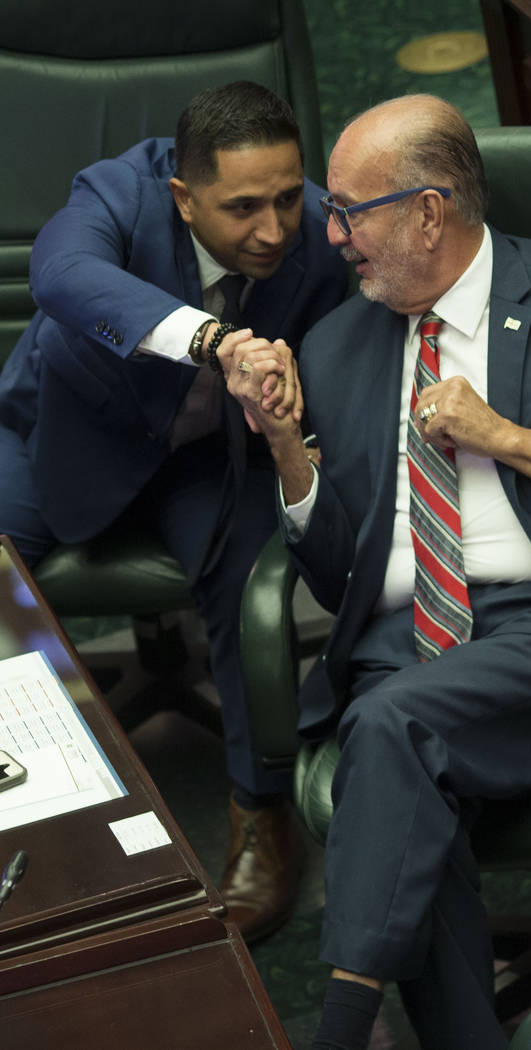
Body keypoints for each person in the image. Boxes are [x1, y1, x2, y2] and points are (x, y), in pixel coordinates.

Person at [226, 94, 531, 1049]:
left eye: (349, 210)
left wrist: (513, 440)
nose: (330, 237)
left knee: (393, 728)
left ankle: (339, 1024)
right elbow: (337, 579)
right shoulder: (339, 346)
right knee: (412, 783)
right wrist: (288, 448)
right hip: (404, 640)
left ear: (428, 209)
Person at [0, 80, 348, 941]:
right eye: (241, 209)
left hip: (210, 458)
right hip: (64, 437)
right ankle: (31, 809)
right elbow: (63, 273)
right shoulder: (119, 190)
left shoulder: (320, 229)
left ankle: (261, 814)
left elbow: (352, 346)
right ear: (183, 197)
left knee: (248, 596)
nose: (272, 230)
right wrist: (215, 341)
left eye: (284, 199)